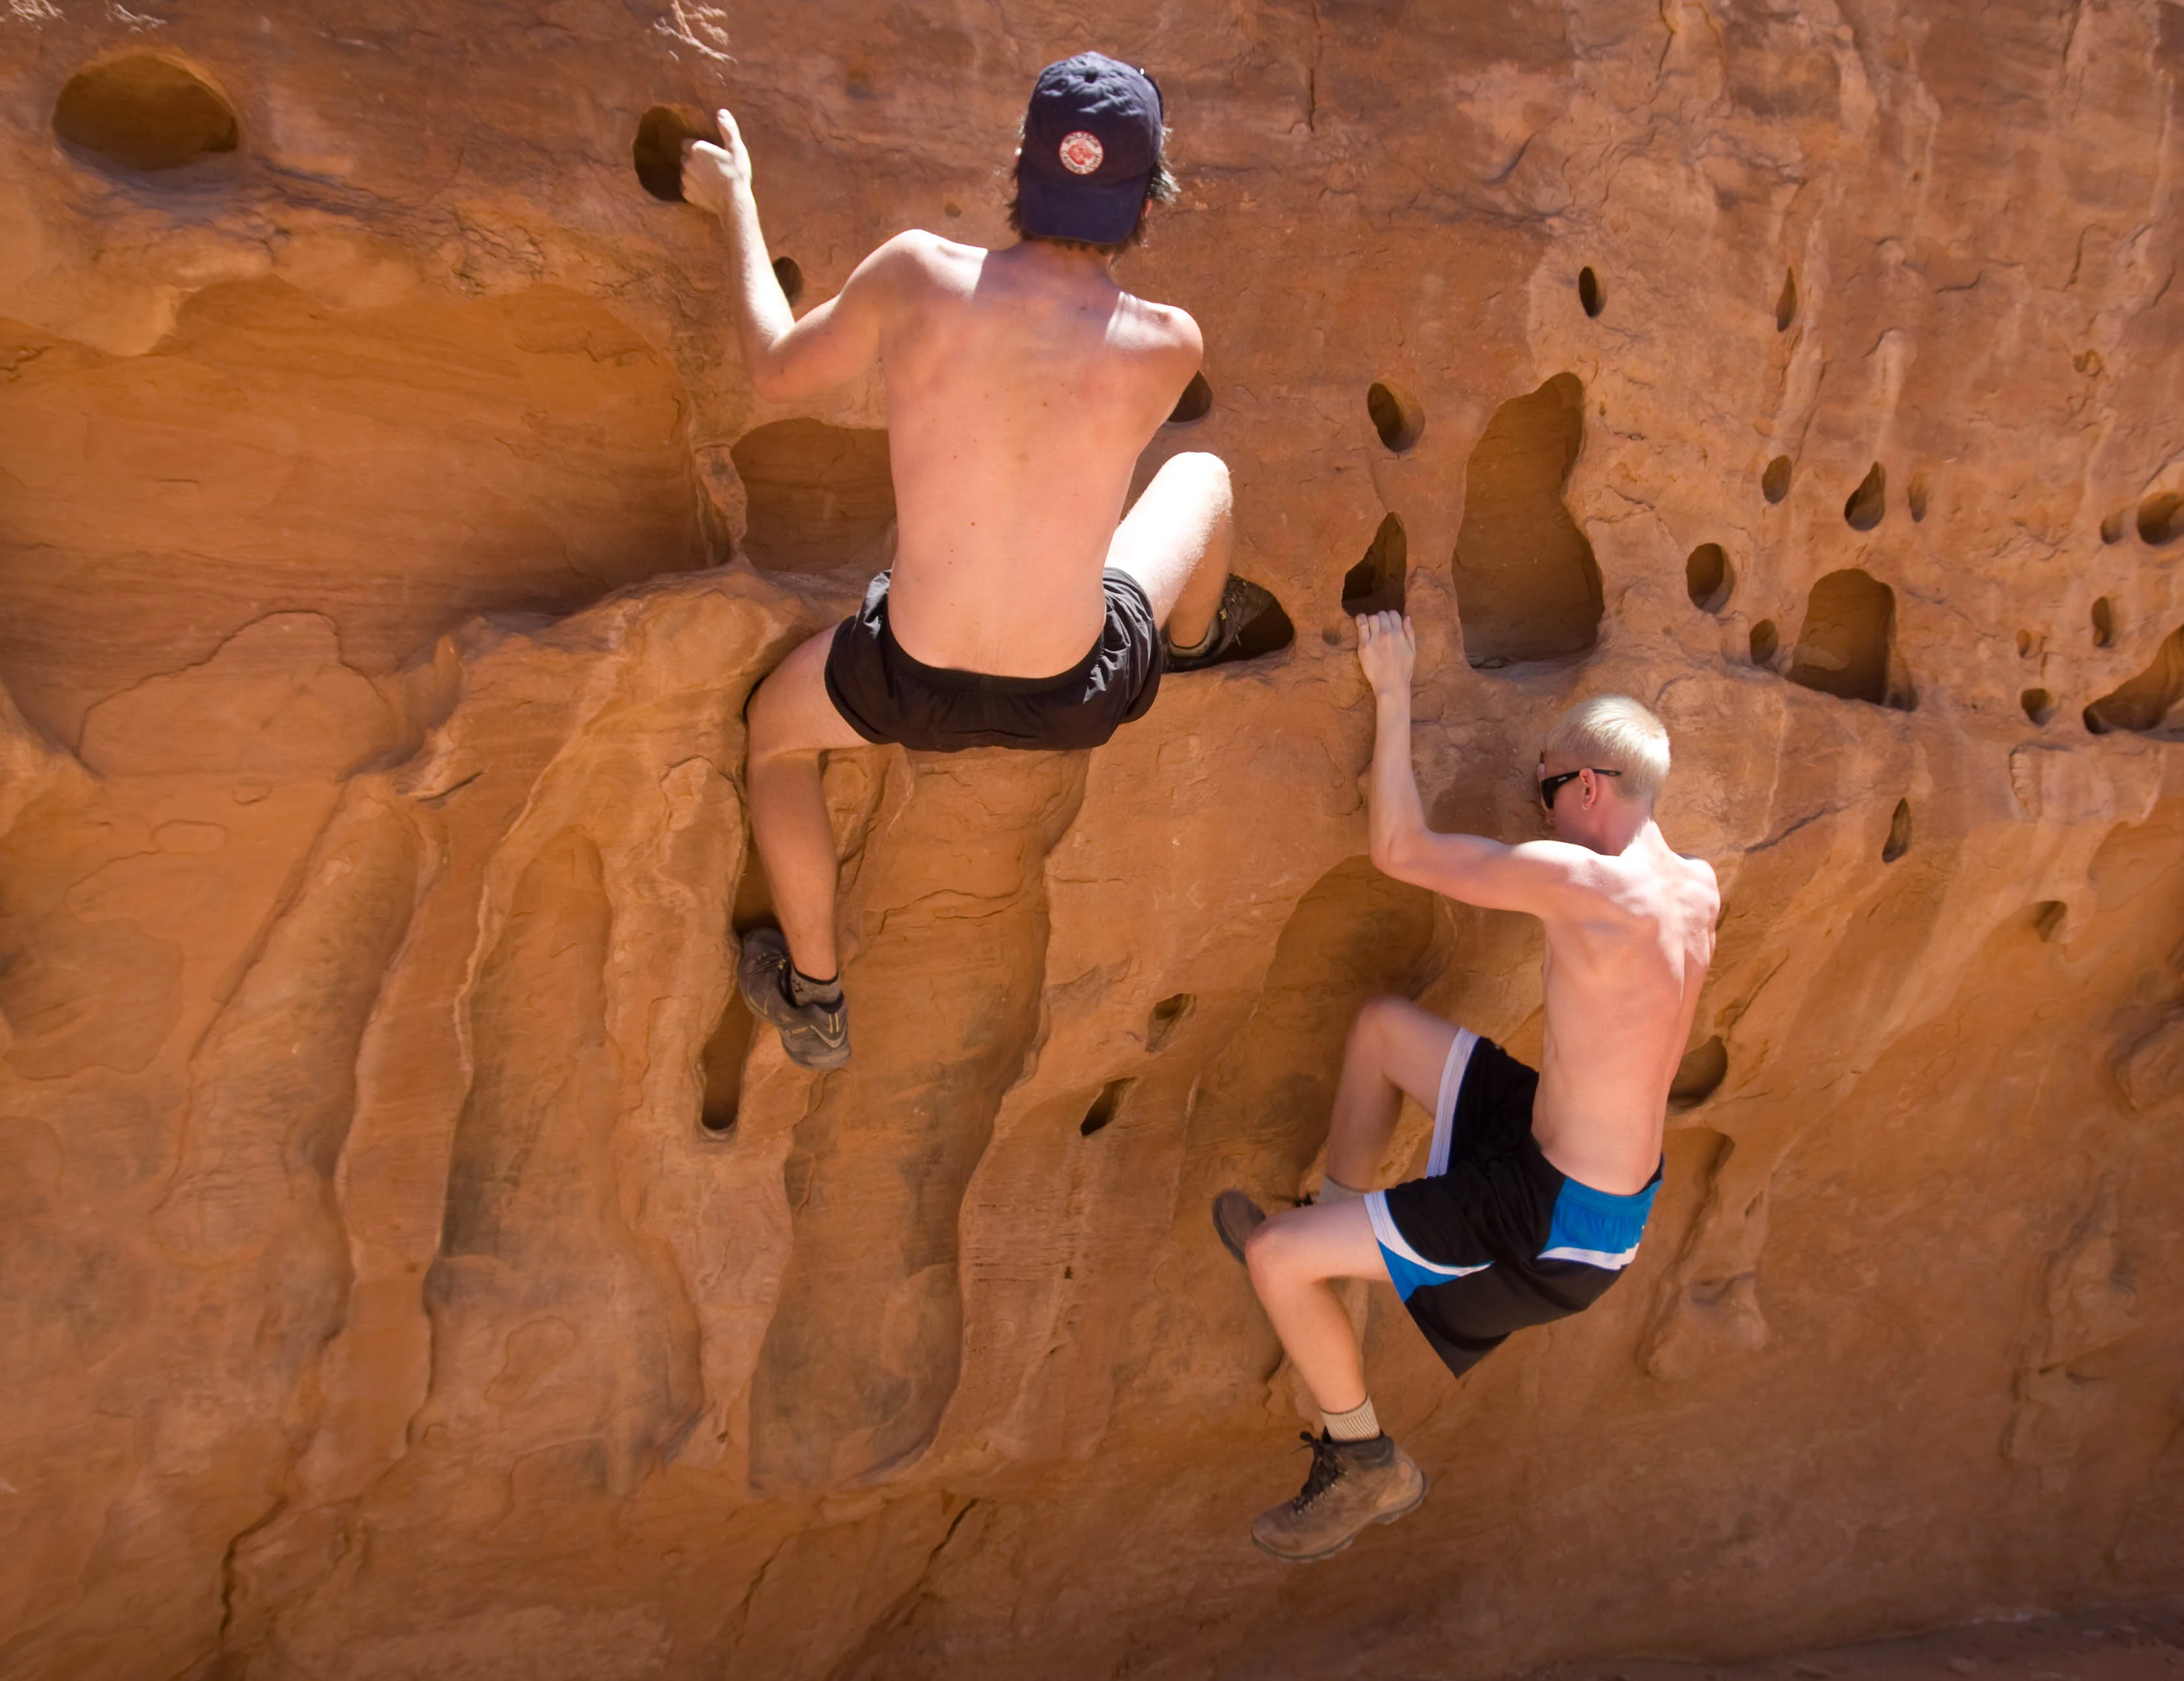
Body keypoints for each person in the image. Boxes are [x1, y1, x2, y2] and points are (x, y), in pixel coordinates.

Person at [680, 52, 1279, 1068]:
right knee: (1205, 476)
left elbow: (774, 366)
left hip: (906, 681)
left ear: (1017, 168)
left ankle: (815, 997)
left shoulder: (917, 274)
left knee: (775, 744)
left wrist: (734, 202)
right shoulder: (1168, 342)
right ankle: (1191, 640)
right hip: (1077, 693)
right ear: (1149, 202)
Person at [1211, 611, 1720, 1562]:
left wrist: (1395, 688)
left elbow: (1401, 851)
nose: (1542, 814)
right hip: (1566, 1156)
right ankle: (1343, 1258)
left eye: (1546, 793)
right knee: (1381, 1031)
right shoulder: (1697, 885)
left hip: (1555, 1218)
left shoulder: (1591, 884)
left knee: (1274, 1257)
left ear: (1592, 786)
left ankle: (1361, 1458)